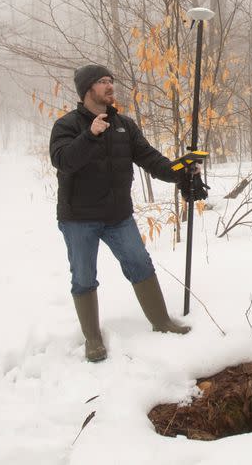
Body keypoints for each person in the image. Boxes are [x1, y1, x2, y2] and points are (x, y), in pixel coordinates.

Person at [50, 64, 207, 362]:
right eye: (102, 82)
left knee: (139, 264)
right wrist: (90, 135)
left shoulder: (124, 125)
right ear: (87, 89)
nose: (110, 86)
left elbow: (151, 160)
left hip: (117, 216)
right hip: (79, 219)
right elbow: (63, 161)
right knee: (83, 277)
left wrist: (181, 169)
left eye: (111, 81)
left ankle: (162, 322)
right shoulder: (67, 126)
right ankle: (93, 339)